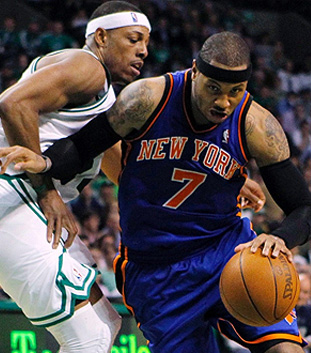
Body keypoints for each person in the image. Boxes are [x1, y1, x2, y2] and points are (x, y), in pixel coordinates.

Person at [1, 31, 296, 352]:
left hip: (225, 253)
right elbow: (83, 146)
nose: (223, 102)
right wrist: (45, 163)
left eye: (235, 92)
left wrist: (282, 237)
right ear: (194, 70)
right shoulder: (145, 99)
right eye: (214, 89)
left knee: (285, 349)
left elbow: (303, 207)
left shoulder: (256, 125)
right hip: (158, 271)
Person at [0, 1, 151, 352]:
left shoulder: (99, 94)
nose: (143, 50)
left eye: (146, 41)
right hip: (15, 198)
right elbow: (12, 104)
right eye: (133, 39)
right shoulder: (88, 66)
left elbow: (126, 172)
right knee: (88, 336)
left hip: (22, 204)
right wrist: (48, 194)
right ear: (100, 37)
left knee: (105, 322)